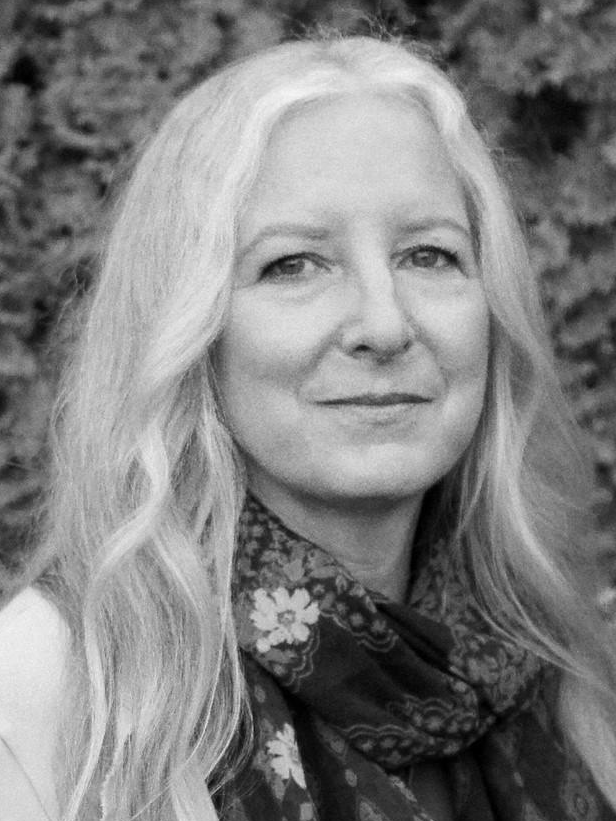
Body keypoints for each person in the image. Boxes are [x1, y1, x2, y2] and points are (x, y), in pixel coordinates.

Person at [0, 31, 614, 821]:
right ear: (188, 331)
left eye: (429, 255)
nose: (384, 324)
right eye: (294, 264)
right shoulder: (51, 700)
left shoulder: (563, 675)